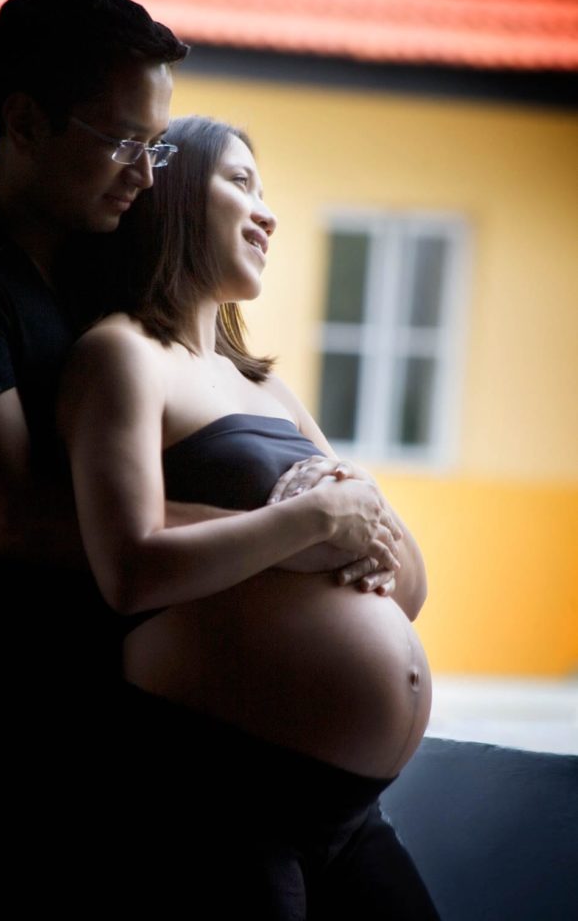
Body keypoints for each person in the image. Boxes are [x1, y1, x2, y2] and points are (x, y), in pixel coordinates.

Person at [58, 115, 440, 919]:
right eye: (240, 183)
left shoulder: (268, 390)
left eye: (265, 190)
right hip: (222, 795)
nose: (266, 213)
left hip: (348, 813)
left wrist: (359, 534)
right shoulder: (122, 355)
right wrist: (309, 523)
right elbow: (128, 570)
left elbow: (407, 582)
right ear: (174, 195)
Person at [0, 0, 188, 890]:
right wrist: (283, 534)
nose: (146, 173)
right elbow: (18, 519)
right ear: (26, 122)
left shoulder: (100, 254)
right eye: (124, 141)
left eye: (156, 146)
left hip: (107, 719)